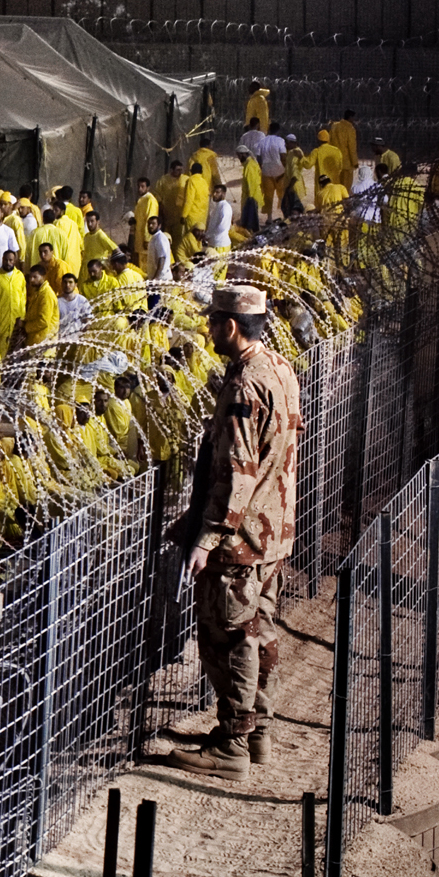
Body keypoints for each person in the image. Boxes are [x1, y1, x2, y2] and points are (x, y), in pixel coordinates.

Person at [169, 285, 303, 778]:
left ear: (230, 327)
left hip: (241, 540)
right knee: (259, 632)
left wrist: (206, 537)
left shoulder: (245, 386)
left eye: (212, 323)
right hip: (273, 531)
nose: (208, 331)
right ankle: (256, 734)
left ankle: (232, 747)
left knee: (230, 638)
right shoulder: (280, 369)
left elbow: (238, 471)